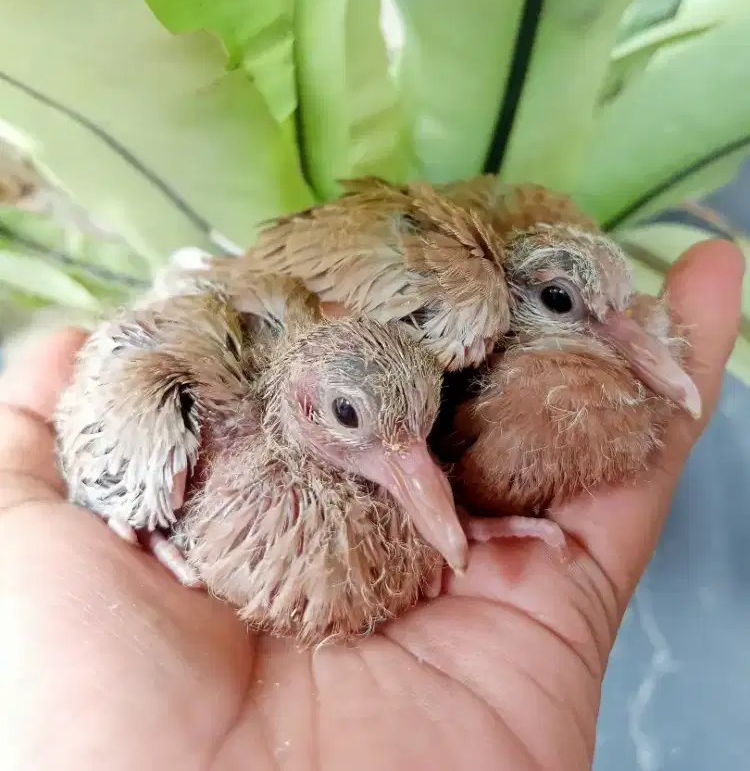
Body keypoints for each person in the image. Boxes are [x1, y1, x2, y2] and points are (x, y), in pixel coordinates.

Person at [0, 240, 742, 771]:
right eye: (361, 427)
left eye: (421, 442)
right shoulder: (175, 430)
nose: (424, 481)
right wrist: (126, 515)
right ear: (293, 403)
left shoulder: (404, 420)